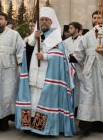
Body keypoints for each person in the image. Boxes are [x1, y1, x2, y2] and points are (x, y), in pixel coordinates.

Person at [15, 7, 76, 137]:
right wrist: (32, 40)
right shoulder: (34, 35)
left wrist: (45, 56)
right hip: (33, 74)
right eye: (42, 19)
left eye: (47, 20)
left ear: (51, 22)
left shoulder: (56, 39)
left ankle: (41, 128)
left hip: (47, 77)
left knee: (42, 102)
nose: (44, 22)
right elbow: (26, 52)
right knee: (32, 100)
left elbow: (60, 57)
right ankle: (28, 125)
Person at [71, 10, 103, 135]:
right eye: (95, 17)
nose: (97, 20)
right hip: (89, 71)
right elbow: (79, 54)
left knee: (102, 96)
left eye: (99, 17)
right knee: (88, 96)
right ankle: (85, 126)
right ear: (92, 20)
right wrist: (65, 57)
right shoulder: (87, 36)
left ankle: (101, 124)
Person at [63, 22, 83, 117]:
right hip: (69, 69)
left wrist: (75, 58)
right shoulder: (65, 42)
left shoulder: (83, 40)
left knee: (79, 91)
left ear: (76, 29)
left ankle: (78, 110)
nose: (69, 30)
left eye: (71, 28)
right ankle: (70, 108)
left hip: (79, 68)